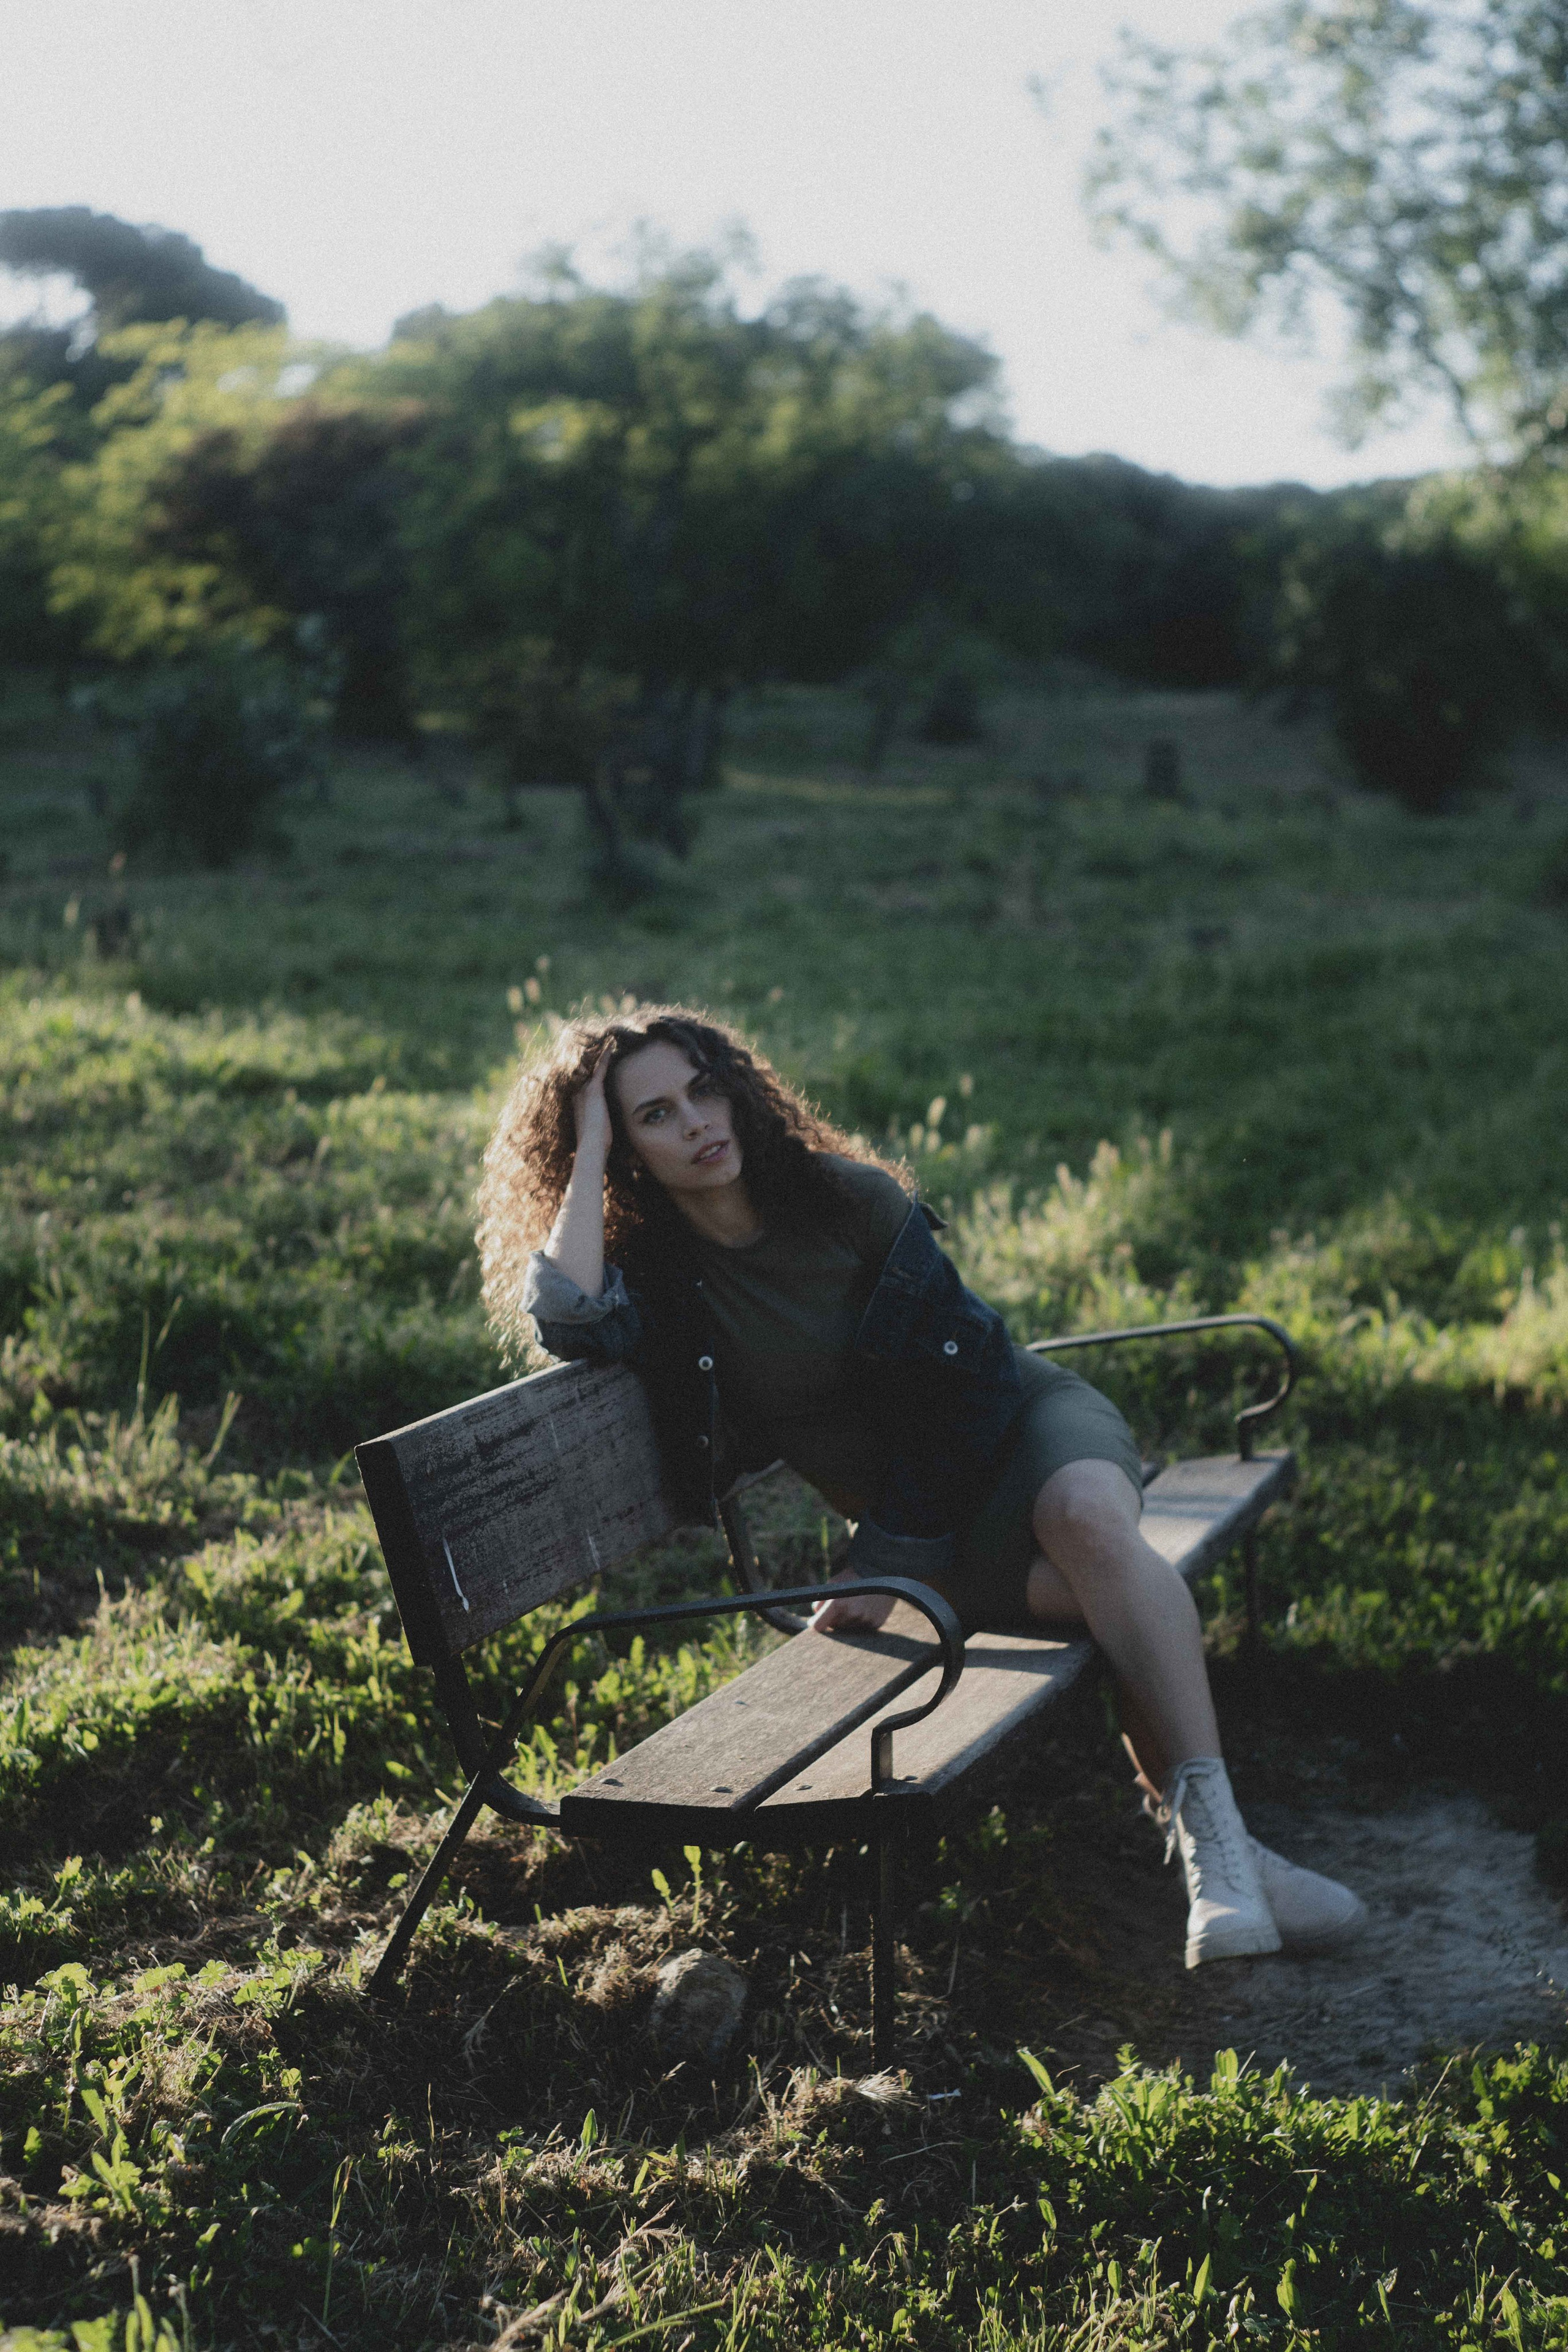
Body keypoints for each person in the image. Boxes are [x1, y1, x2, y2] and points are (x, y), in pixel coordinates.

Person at [478, 1006, 1365, 1968]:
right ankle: (1235, 1858)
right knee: (1120, 1602)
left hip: (1024, 1432)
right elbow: (566, 1317)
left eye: (702, 1088)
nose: (696, 1122)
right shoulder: (657, 1278)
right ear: (623, 1153)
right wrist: (591, 1137)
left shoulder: (847, 1201)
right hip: (941, 1538)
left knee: (1088, 1524)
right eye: (653, 1116)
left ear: (735, 1086)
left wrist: (888, 1555)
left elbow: (975, 1382)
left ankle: (1220, 1865)